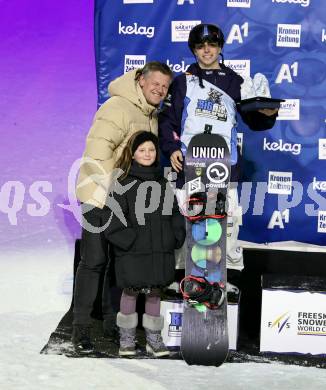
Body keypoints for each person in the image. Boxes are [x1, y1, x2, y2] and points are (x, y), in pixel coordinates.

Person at [158, 23, 278, 290]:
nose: (206, 51)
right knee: (189, 223)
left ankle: (223, 281)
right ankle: (184, 279)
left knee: (224, 223)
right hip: (190, 165)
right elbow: (167, 122)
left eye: (211, 45)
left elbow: (256, 119)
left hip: (224, 166)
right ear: (193, 50)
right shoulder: (182, 81)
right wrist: (171, 148)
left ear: (220, 47)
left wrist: (268, 113)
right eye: (200, 47)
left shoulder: (235, 82)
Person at [72, 62, 173, 351]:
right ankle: (81, 329)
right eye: (155, 83)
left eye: (165, 87)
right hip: (99, 197)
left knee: (113, 264)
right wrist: (111, 198)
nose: (160, 90)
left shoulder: (149, 115)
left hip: (121, 202)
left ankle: (108, 323)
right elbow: (96, 154)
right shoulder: (118, 107)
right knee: (93, 262)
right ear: (140, 80)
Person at [105, 131, 186, 357]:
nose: (147, 154)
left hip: (159, 251)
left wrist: (175, 236)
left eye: (151, 149)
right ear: (132, 154)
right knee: (130, 293)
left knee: (154, 294)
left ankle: (153, 339)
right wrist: (129, 242)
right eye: (142, 150)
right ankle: (127, 340)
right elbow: (112, 219)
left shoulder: (162, 183)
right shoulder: (122, 183)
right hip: (132, 253)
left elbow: (174, 215)